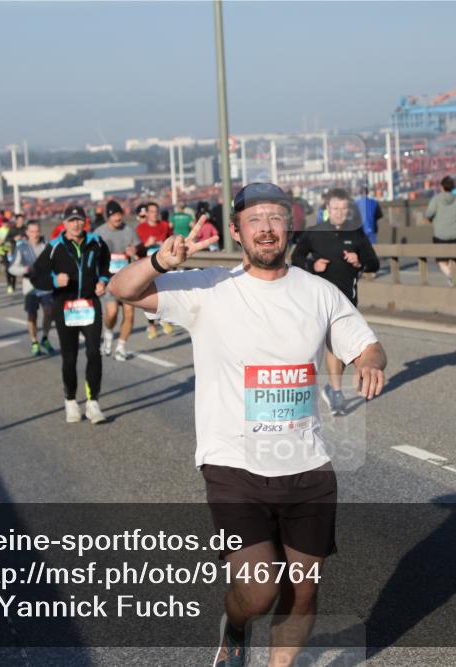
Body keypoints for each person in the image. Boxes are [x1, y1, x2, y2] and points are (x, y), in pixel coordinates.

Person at [107, 182, 386, 667]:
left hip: (307, 466)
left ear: (288, 228)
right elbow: (121, 290)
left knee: (302, 591)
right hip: (232, 464)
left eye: (276, 218)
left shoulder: (319, 293)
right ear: (236, 231)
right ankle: (235, 630)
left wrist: (370, 360)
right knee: (258, 591)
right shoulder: (207, 289)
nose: (266, 228)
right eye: (254, 219)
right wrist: (158, 263)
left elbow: (364, 342)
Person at [291, 187, 380, 416]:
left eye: (343, 208)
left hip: (348, 301)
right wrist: (313, 266)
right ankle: (337, 391)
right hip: (319, 302)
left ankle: (333, 388)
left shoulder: (357, 233)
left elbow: (374, 263)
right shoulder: (314, 233)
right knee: (333, 346)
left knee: (338, 348)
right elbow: (296, 258)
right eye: (335, 208)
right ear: (327, 209)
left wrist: (359, 262)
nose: (339, 212)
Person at [31, 205, 110, 424]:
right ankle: (71, 400)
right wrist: (55, 281)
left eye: (79, 220)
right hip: (64, 306)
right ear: (64, 224)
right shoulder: (55, 247)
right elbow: (36, 277)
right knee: (70, 356)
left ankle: (93, 403)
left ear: (85, 221)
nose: (76, 224)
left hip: (89, 304)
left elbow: (105, 264)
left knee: (94, 351)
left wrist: (103, 281)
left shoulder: (97, 242)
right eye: (71, 220)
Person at [93, 200, 139, 361]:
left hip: (127, 280)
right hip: (109, 280)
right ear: (108, 217)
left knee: (129, 314)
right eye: (114, 215)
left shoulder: (129, 231)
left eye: (120, 214)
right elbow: (92, 255)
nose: (118, 218)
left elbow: (140, 250)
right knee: (111, 313)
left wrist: (135, 250)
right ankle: (108, 333)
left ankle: (120, 347)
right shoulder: (99, 233)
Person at [10, 220, 56, 356]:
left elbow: (56, 262)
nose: (35, 234)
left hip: (46, 286)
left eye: (37, 231)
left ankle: (45, 338)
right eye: (32, 231)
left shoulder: (47, 245)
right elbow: (12, 268)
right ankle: (34, 341)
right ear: (27, 233)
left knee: (49, 312)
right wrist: (24, 269)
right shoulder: (22, 248)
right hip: (30, 287)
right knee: (32, 315)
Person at [135, 202, 173, 339]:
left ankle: (164, 319)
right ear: (147, 213)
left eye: (156, 211)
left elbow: (171, 239)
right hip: (147, 265)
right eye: (152, 211)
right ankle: (151, 324)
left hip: (163, 264)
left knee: (165, 292)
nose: (155, 214)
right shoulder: (140, 228)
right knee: (149, 295)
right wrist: (146, 245)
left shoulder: (164, 225)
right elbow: (136, 249)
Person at [424, 176, 456, 285]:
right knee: (452, 259)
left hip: (440, 234)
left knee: (441, 261)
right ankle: (452, 277)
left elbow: (428, 214)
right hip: (455, 234)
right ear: (453, 187)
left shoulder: (436, 199)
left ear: (442, 187)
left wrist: (434, 218)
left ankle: (450, 276)